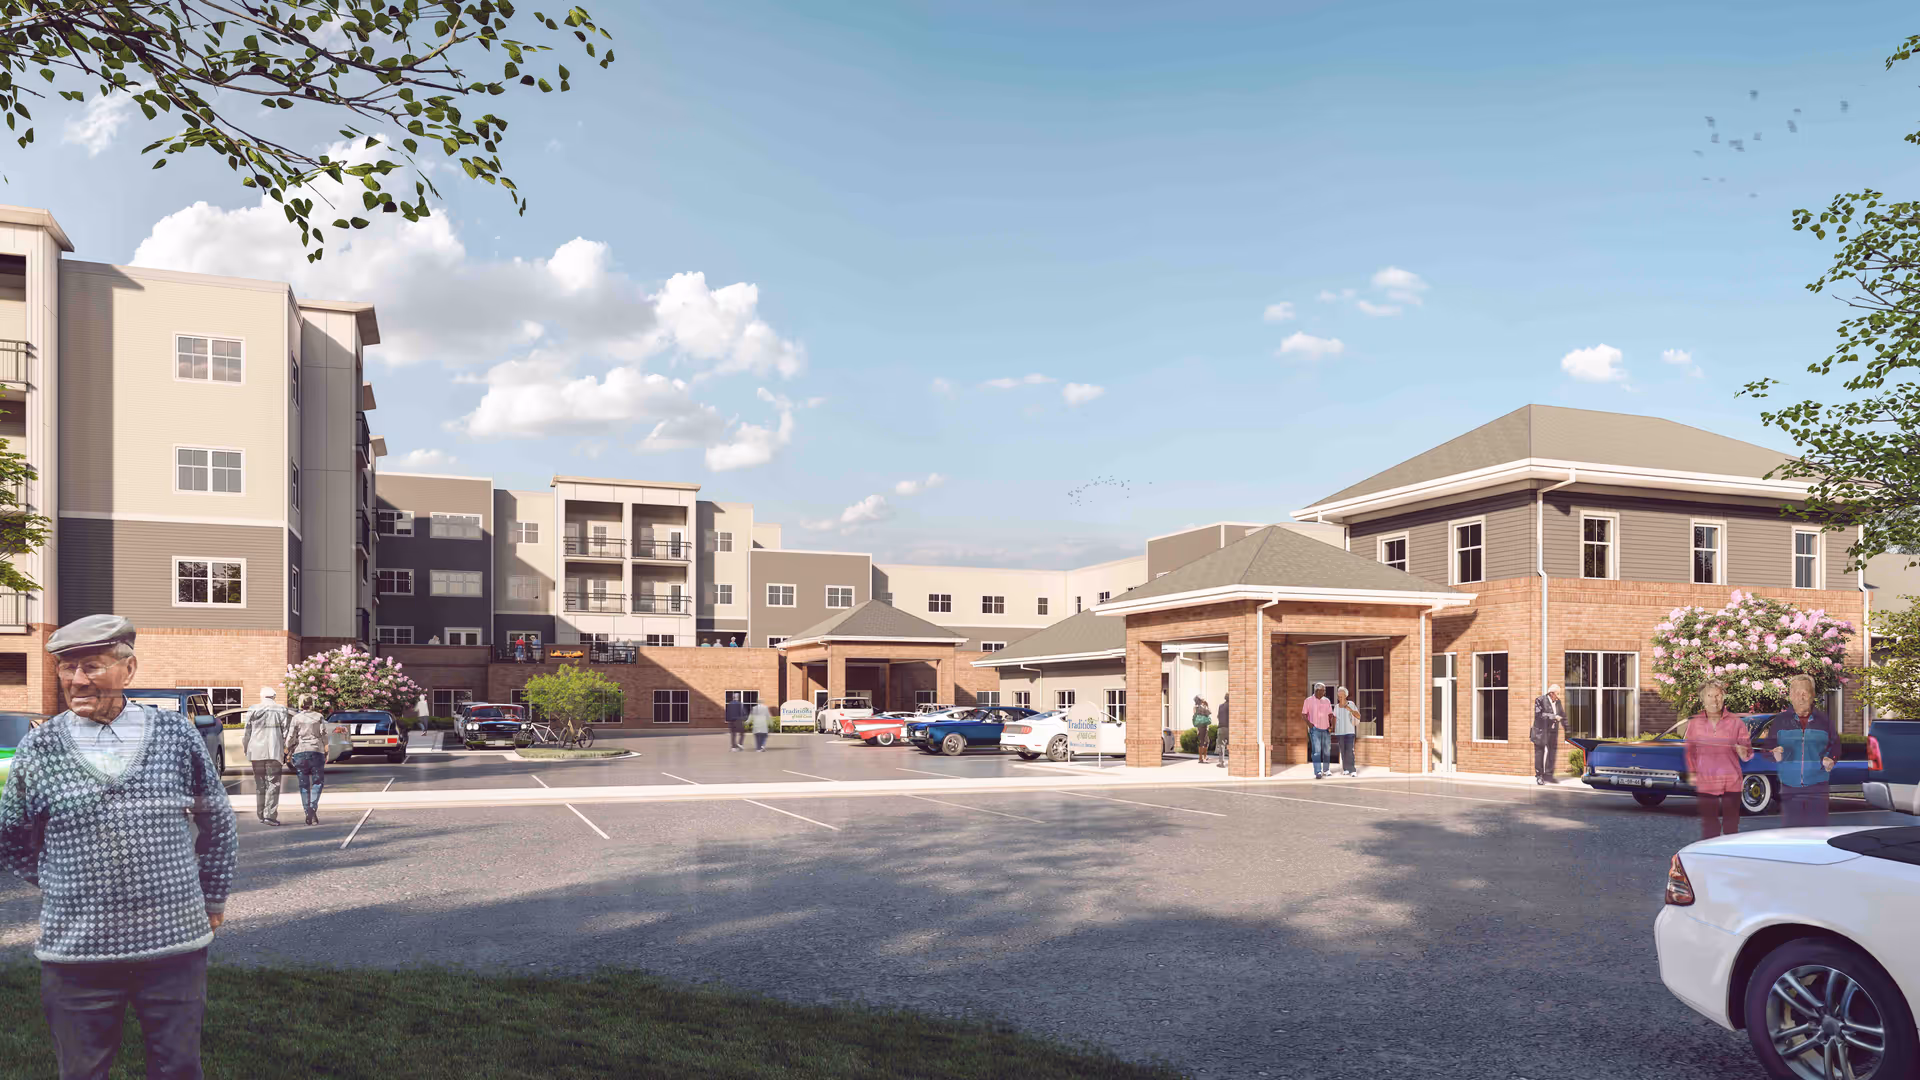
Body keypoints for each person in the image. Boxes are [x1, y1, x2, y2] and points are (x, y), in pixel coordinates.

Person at [0, 614, 237, 1080]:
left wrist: (212, 895)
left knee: (179, 1069)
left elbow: (217, 821)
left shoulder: (175, 735)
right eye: (66, 668)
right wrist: (66, 882)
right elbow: (12, 837)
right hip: (77, 954)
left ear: (128, 670)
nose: (76, 679)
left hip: (174, 947)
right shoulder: (40, 746)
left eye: (91, 666)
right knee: (82, 1072)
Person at [1759, 673, 1839, 828]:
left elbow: (1835, 746)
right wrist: (1773, 753)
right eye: (1796, 693)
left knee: (1818, 834)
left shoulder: (1824, 721)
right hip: (1789, 789)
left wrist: (1831, 758)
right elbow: (1766, 749)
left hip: (1818, 788)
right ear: (1790, 696)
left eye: (1805, 693)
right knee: (1792, 835)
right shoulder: (1780, 721)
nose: (1801, 697)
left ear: (1813, 695)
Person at [1683, 679, 1752, 840]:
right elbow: (1690, 751)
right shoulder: (1695, 723)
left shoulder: (1736, 722)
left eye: (1718, 695)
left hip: (1731, 781)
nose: (1714, 700)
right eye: (1710, 695)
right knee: (1709, 827)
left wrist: (1744, 752)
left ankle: (1730, 858)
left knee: (1731, 827)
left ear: (1724, 697)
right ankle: (1711, 860)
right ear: (1703, 698)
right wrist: (1692, 772)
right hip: (1706, 780)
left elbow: (1747, 750)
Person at [242, 687, 291, 826]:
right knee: (273, 783)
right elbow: (286, 731)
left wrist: (246, 748)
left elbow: (247, 732)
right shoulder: (281, 709)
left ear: (261, 696)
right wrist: (287, 750)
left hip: (256, 751)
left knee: (260, 783)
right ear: (274, 697)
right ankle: (269, 815)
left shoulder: (253, 709)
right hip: (274, 751)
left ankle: (261, 814)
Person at [285, 697, 330, 825]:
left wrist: (287, 749)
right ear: (312, 704)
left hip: (300, 752)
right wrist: (326, 750)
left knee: (303, 784)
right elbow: (324, 734)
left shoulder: (296, 718)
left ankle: (307, 811)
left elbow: (290, 736)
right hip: (316, 751)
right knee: (317, 782)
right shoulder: (319, 717)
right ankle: (312, 808)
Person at [1530, 683, 1569, 785]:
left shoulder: (1558, 702)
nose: (1559, 696)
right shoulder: (1540, 700)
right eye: (1557, 694)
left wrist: (1567, 729)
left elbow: (1562, 715)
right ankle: (1539, 776)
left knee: (1552, 753)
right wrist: (1553, 716)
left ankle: (1548, 775)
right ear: (1551, 693)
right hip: (1540, 732)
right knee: (1540, 754)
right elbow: (1539, 715)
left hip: (1552, 732)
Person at [1303, 683, 1333, 778]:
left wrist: (1331, 725)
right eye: (1323, 690)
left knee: (1327, 751)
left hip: (1326, 729)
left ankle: (1326, 769)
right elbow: (1304, 714)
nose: (1324, 692)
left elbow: (1330, 714)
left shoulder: (1327, 701)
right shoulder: (1308, 701)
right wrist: (1310, 725)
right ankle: (1318, 771)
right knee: (1317, 751)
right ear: (1317, 690)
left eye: (1324, 690)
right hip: (1315, 729)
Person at [1331, 687, 1360, 778]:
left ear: (1346, 696)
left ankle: (1352, 770)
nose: (1340, 698)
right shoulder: (1336, 707)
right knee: (1343, 751)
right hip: (1340, 732)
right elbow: (1334, 718)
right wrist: (1333, 729)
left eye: (1342, 696)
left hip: (1349, 732)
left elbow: (1358, 716)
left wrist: (1349, 709)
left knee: (1350, 751)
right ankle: (1346, 769)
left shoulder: (1351, 704)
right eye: (1339, 696)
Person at [1190, 695, 1212, 764]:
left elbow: (1196, 716)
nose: (1203, 700)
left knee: (1204, 741)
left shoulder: (1195, 707)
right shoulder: (1201, 707)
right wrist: (1207, 705)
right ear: (1200, 700)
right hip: (1203, 726)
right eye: (1202, 699)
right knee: (1204, 742)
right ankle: (1201, 758)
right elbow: (1209, 712)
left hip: (1200, 726)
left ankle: (1203, 757)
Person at [1215, 693, 1230, 768]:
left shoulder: (1220, 706)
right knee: (1231, 746)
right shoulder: (1231, 706)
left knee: (1221, 746)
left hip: (1221, 728)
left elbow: (1218, 716)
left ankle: (1222, 762)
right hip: (1230, 728)